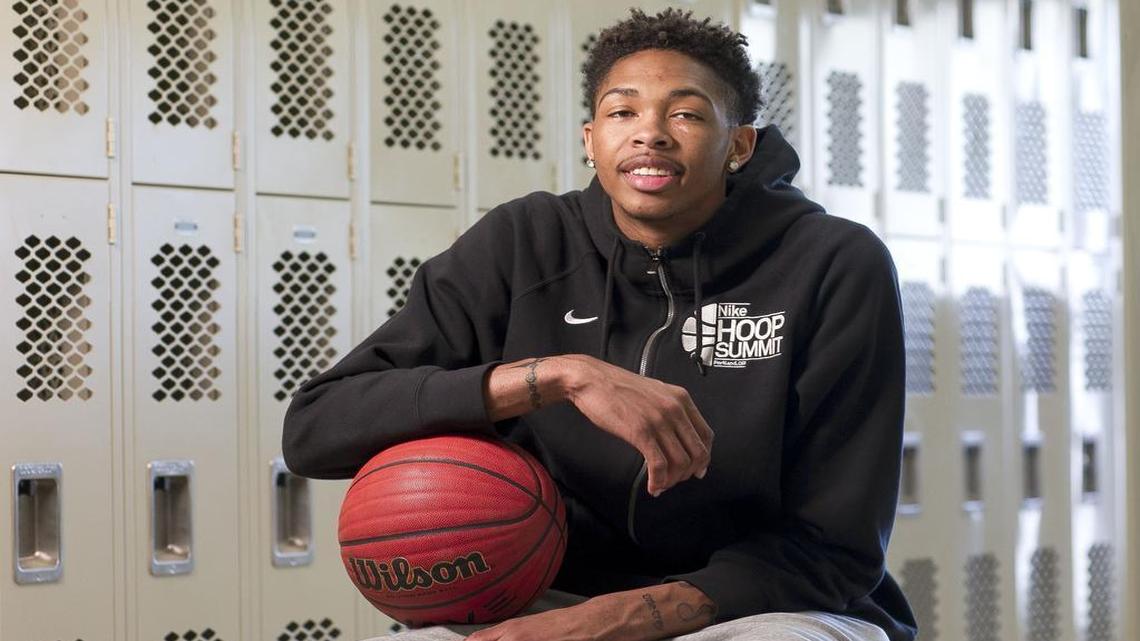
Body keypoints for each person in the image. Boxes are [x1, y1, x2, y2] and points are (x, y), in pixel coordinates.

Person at [284, 8, 917, 641]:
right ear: (590, 140)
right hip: (551, 593)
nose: (651, 134)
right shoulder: (524, 242)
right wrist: (558, 377)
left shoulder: (831, 263)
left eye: (687, 114)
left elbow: (837, 548)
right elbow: (315, 429)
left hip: (765, 605)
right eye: (622, 112)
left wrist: (616, 620)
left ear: (740, 145)